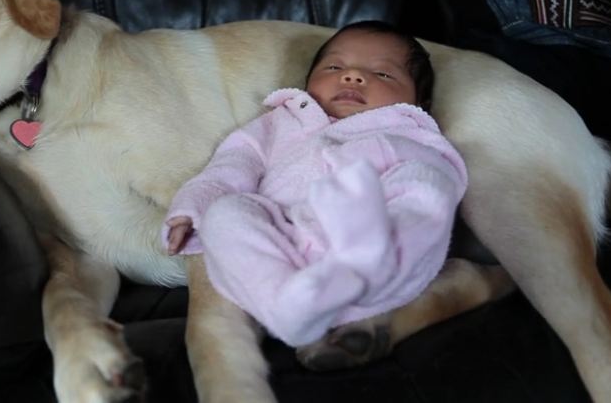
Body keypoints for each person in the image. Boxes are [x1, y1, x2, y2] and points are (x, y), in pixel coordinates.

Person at [161, 20, 468, 347]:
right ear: (308, 81)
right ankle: (288, 302)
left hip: (372, 232)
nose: (353, 76)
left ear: (418, 102)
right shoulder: (281, 122)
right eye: (335, 66)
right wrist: (194, 206)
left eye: (383, 74)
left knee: (428, 182)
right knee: (225, 213)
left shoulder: (407, 130)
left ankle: (367, 259)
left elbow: (440, 178)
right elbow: (234, 162)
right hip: (283, 235)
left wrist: (373, 157)